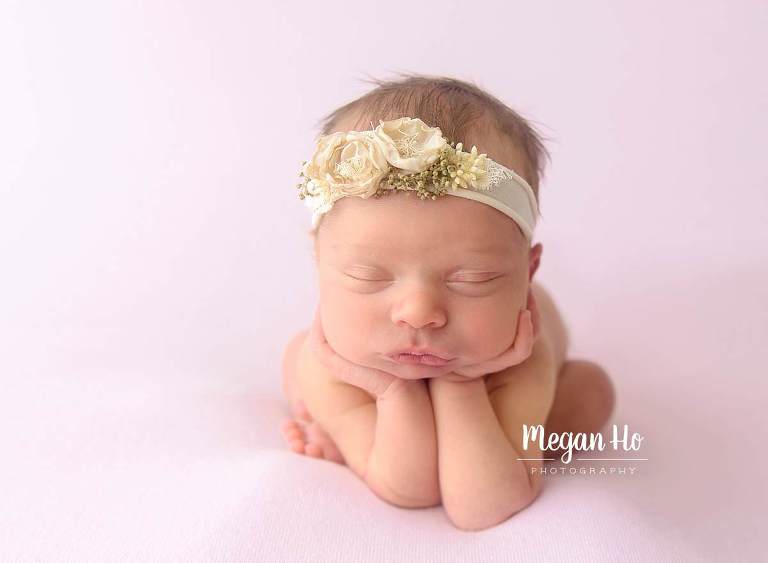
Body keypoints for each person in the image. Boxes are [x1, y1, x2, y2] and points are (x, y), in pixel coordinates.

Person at [280, 74, 615, 531]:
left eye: (472, 279)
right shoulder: (333, 363)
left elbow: (481, 508)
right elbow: (411, 492)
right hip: (361, 384)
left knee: (591, 392)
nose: (418, 312)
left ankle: (520, 452)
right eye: (368, 276)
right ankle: (355, 433)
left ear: (527, 273)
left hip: (516, 382)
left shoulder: (523, 354)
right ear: (318, 260)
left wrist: (462, 383)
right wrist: (389, 389)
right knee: (297, 362)